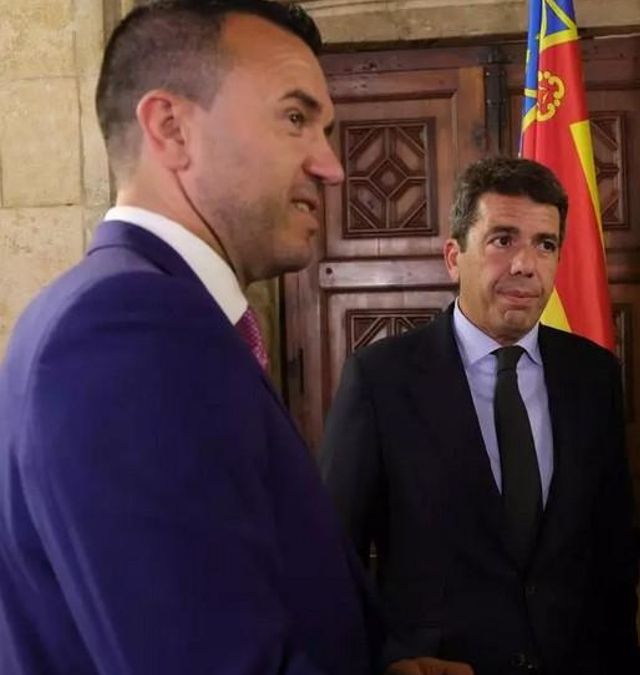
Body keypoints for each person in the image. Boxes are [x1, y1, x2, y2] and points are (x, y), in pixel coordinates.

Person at [0, 1, 462, 674]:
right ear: (171, 128)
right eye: (296, 118)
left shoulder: (140, 311)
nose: (331, 165)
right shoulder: (126, 330)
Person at [319, 156, 640, 675]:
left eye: (545, 244)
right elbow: (333, 561)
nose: (525, 265)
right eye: (502, 240)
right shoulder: (380, 380)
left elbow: (615, 552)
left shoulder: (594, 376)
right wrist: (386, 662)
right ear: (454, 256)